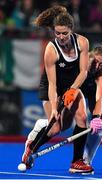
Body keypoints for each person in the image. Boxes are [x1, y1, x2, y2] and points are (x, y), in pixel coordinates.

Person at [21, 5, 96, 173]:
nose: (61, 37)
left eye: (65, 33)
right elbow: (53, 84)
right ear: (54, 31)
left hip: (73, 83)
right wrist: (55, 107)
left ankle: (77, 162)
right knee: (56, 128)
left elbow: (83, 71)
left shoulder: (82, 42)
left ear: (71, 30)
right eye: (57, 33)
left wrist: (73, 90)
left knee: (83, 118)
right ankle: (31, 147)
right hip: (52, 85)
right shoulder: (51, 50)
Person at [69, 43, 102, 174]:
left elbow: (100, 99)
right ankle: (42, 125)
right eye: (96, 62)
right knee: (62, 124)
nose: (98, 66)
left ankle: (85, 160)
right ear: (89, 57)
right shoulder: (78, 64)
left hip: (95, 92)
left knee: (100, 124)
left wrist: (96, 117)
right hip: (78, 88)